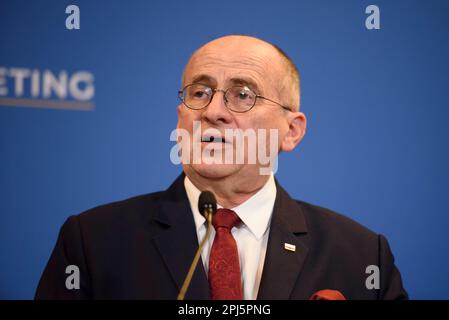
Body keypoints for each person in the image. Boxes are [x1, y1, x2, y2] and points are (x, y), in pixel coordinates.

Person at [35, 35, 408, 300]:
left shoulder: (361, 256)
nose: (213, 111)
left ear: (291, 131)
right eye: (199, 92)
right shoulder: (92, 241)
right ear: (181, 116)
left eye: (243, 95)